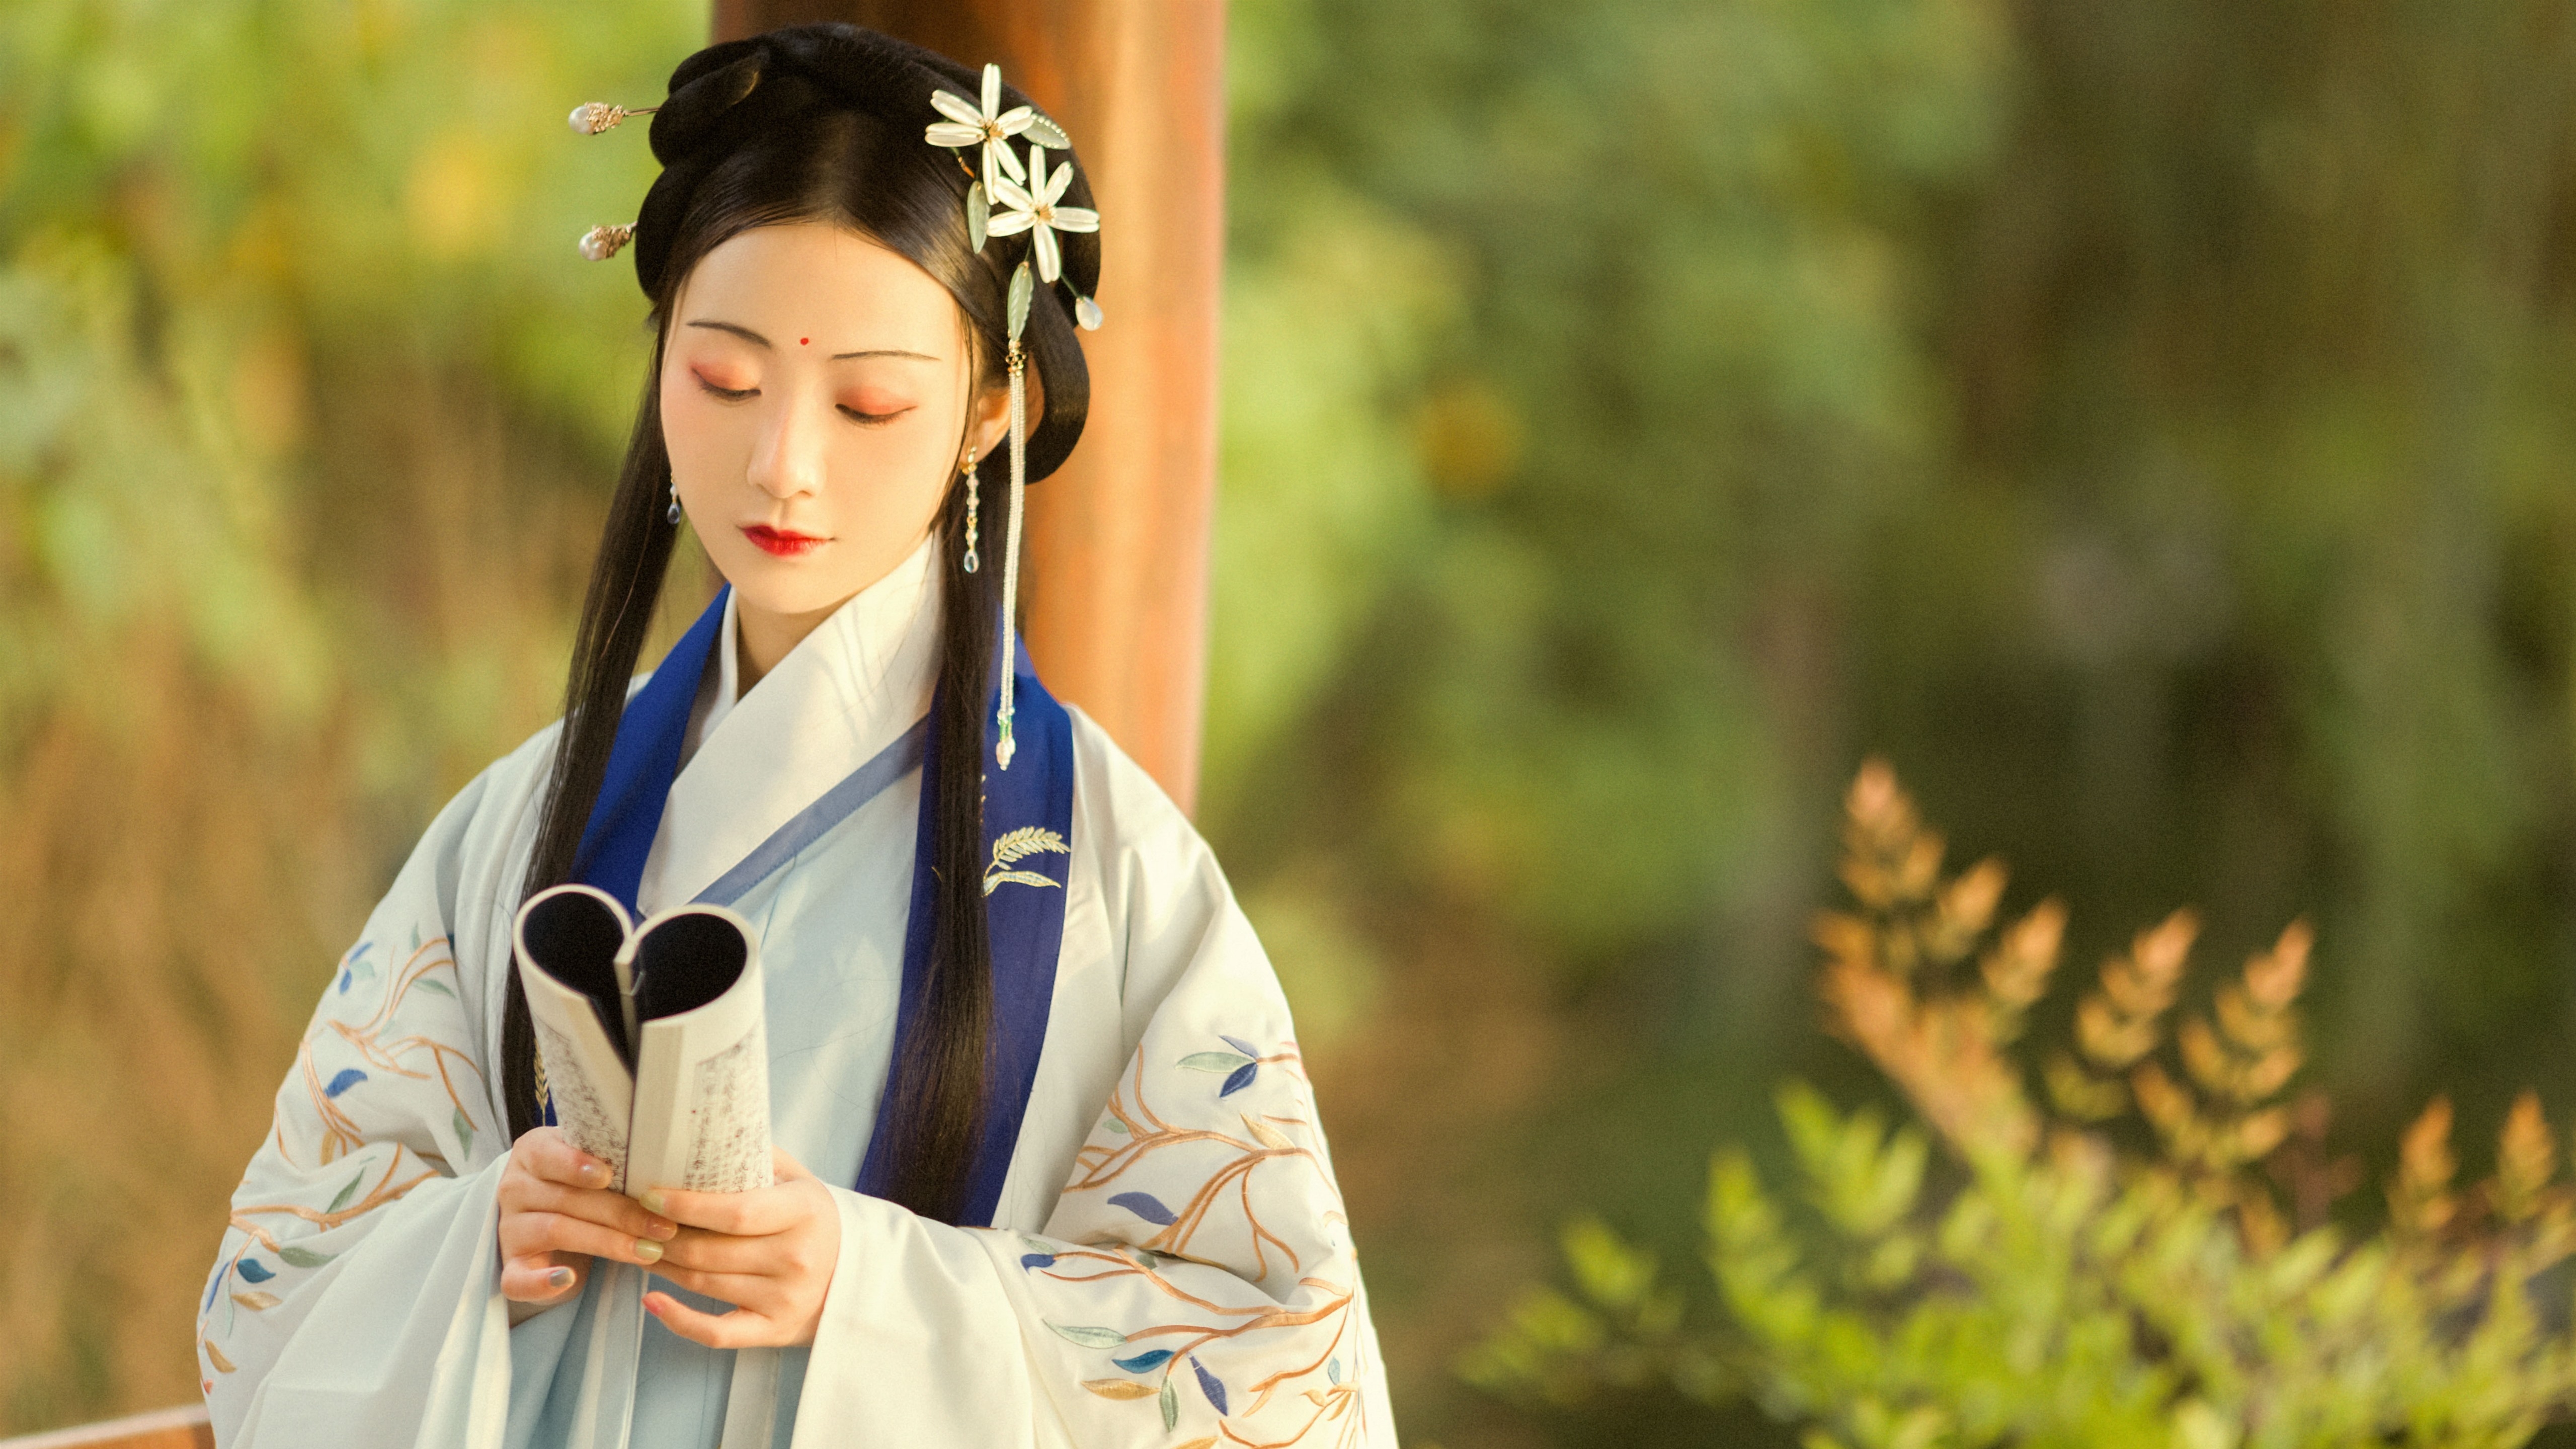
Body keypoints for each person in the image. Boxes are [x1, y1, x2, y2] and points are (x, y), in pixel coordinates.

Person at [196, 25, 1392, 1449]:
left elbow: (1288, 1366)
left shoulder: (1115, 880)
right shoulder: (517, 823)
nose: (784, 464)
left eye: (871, 401)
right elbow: (274, 1290)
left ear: (986, 412)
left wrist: (870, 1285)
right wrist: (479, 1238)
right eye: (723, 378)